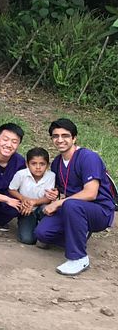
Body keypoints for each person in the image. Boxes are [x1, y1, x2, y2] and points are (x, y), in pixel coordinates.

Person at [34, 118, 116, 275]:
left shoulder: (88, 157)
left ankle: (79, 258)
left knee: (71, 205)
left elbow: (91, 193)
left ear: (74, 138)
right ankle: (79, 233)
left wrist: (58, 204)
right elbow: (62, 188)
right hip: (73, 208)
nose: (60, 140)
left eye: (65, 136)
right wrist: (55, 194)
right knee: (41, 233)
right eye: (55, 136)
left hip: (100, 210)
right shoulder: (58, 162)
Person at [8, 147, 56, 245]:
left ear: (47, 165)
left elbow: (48, 198)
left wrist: (33, 202)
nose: (38, 167)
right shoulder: (21, 174)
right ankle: (31, 227)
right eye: (34, 164)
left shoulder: (51, 176)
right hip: (25, 208)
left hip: (42, 207)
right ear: (27, 164)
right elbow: (11, 189)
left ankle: (45, 232)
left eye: (42, 164)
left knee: (46, 210)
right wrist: (23, 199)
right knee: (28, 239)